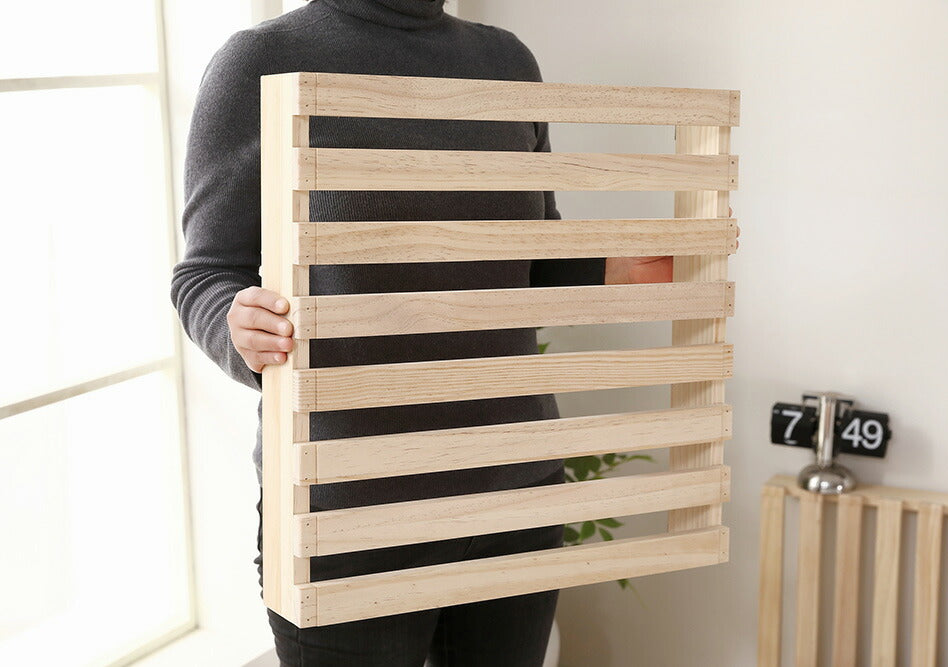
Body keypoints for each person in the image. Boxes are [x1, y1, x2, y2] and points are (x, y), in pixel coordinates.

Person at [170, 0, 734, 664]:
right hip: (350, 515)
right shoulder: (260, 61)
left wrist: (625, 267)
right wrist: (237, 325)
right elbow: (205, 273)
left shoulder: (506, 61)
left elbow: (528, 257)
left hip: (515, 495)